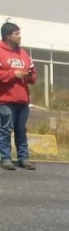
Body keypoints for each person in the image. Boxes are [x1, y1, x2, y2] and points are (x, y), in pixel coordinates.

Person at [0, 22, 37, 170]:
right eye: (16, 34)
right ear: (7, 36)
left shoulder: (24, 54)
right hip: (5, 100)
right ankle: (5, 158)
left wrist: (29, 76)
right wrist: (13, 74)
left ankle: (24, 158)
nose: (20, 36)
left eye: (19, 33)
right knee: (5, 129)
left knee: (21, 130)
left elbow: (33, 76)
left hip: (22, 100)